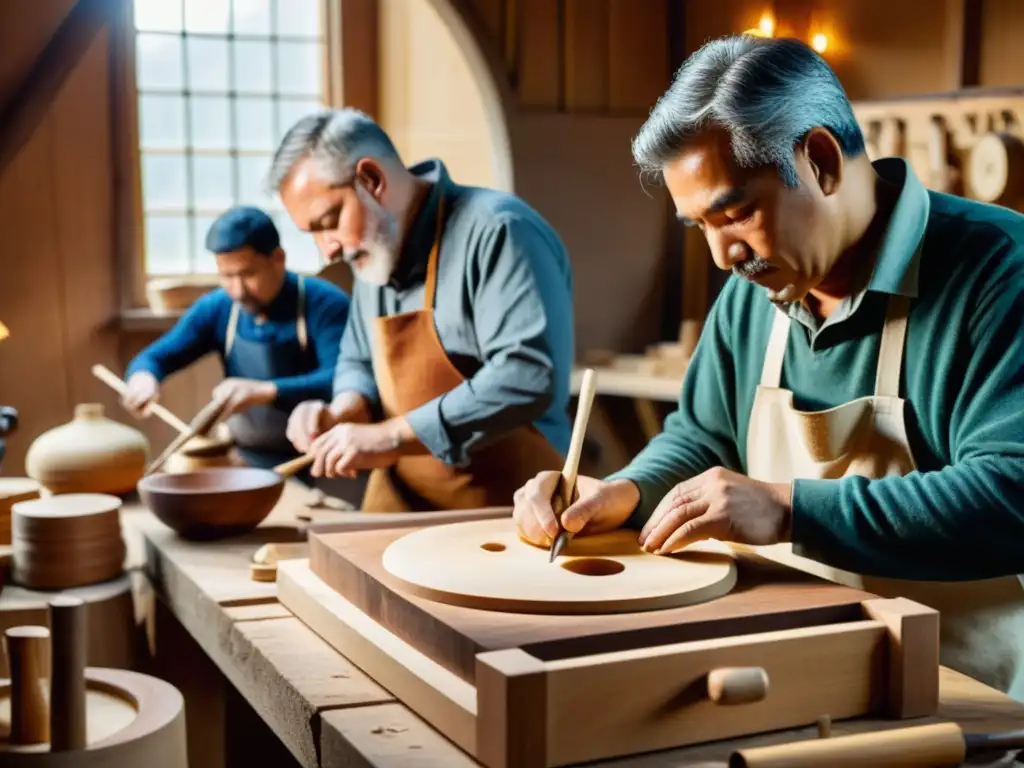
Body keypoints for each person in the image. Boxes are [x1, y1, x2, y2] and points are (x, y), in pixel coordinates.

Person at [513, 35, 1024, 698]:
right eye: (700, 227)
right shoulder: (755, 292)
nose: (724, 256)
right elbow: (703, 437)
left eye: (736, 213)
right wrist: (625, 493)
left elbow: (1011, 494)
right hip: (803, 671)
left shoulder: (997, 271)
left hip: (969, 695)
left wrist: (790, 510)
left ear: (819, 160)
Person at [270, 108, 574, 511]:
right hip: (403, 498)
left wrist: (388, 437)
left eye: (330, 221)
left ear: (371, 180)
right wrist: (345, 409)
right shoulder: (372, 254)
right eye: (314, 233)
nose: (328, 249)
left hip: (512, 505)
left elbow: (527, 375)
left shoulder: (500, 230)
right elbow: (356, 359)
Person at [123, 206, 351, 478]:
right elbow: (155, 357)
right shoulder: (219, 307)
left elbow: (343, 379)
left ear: (278, 258)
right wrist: (143, 377)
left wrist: (265, 391)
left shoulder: (324, 304)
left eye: (248, 274)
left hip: (323, 459)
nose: (238, 290)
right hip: (248, 461)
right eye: (227, 276)